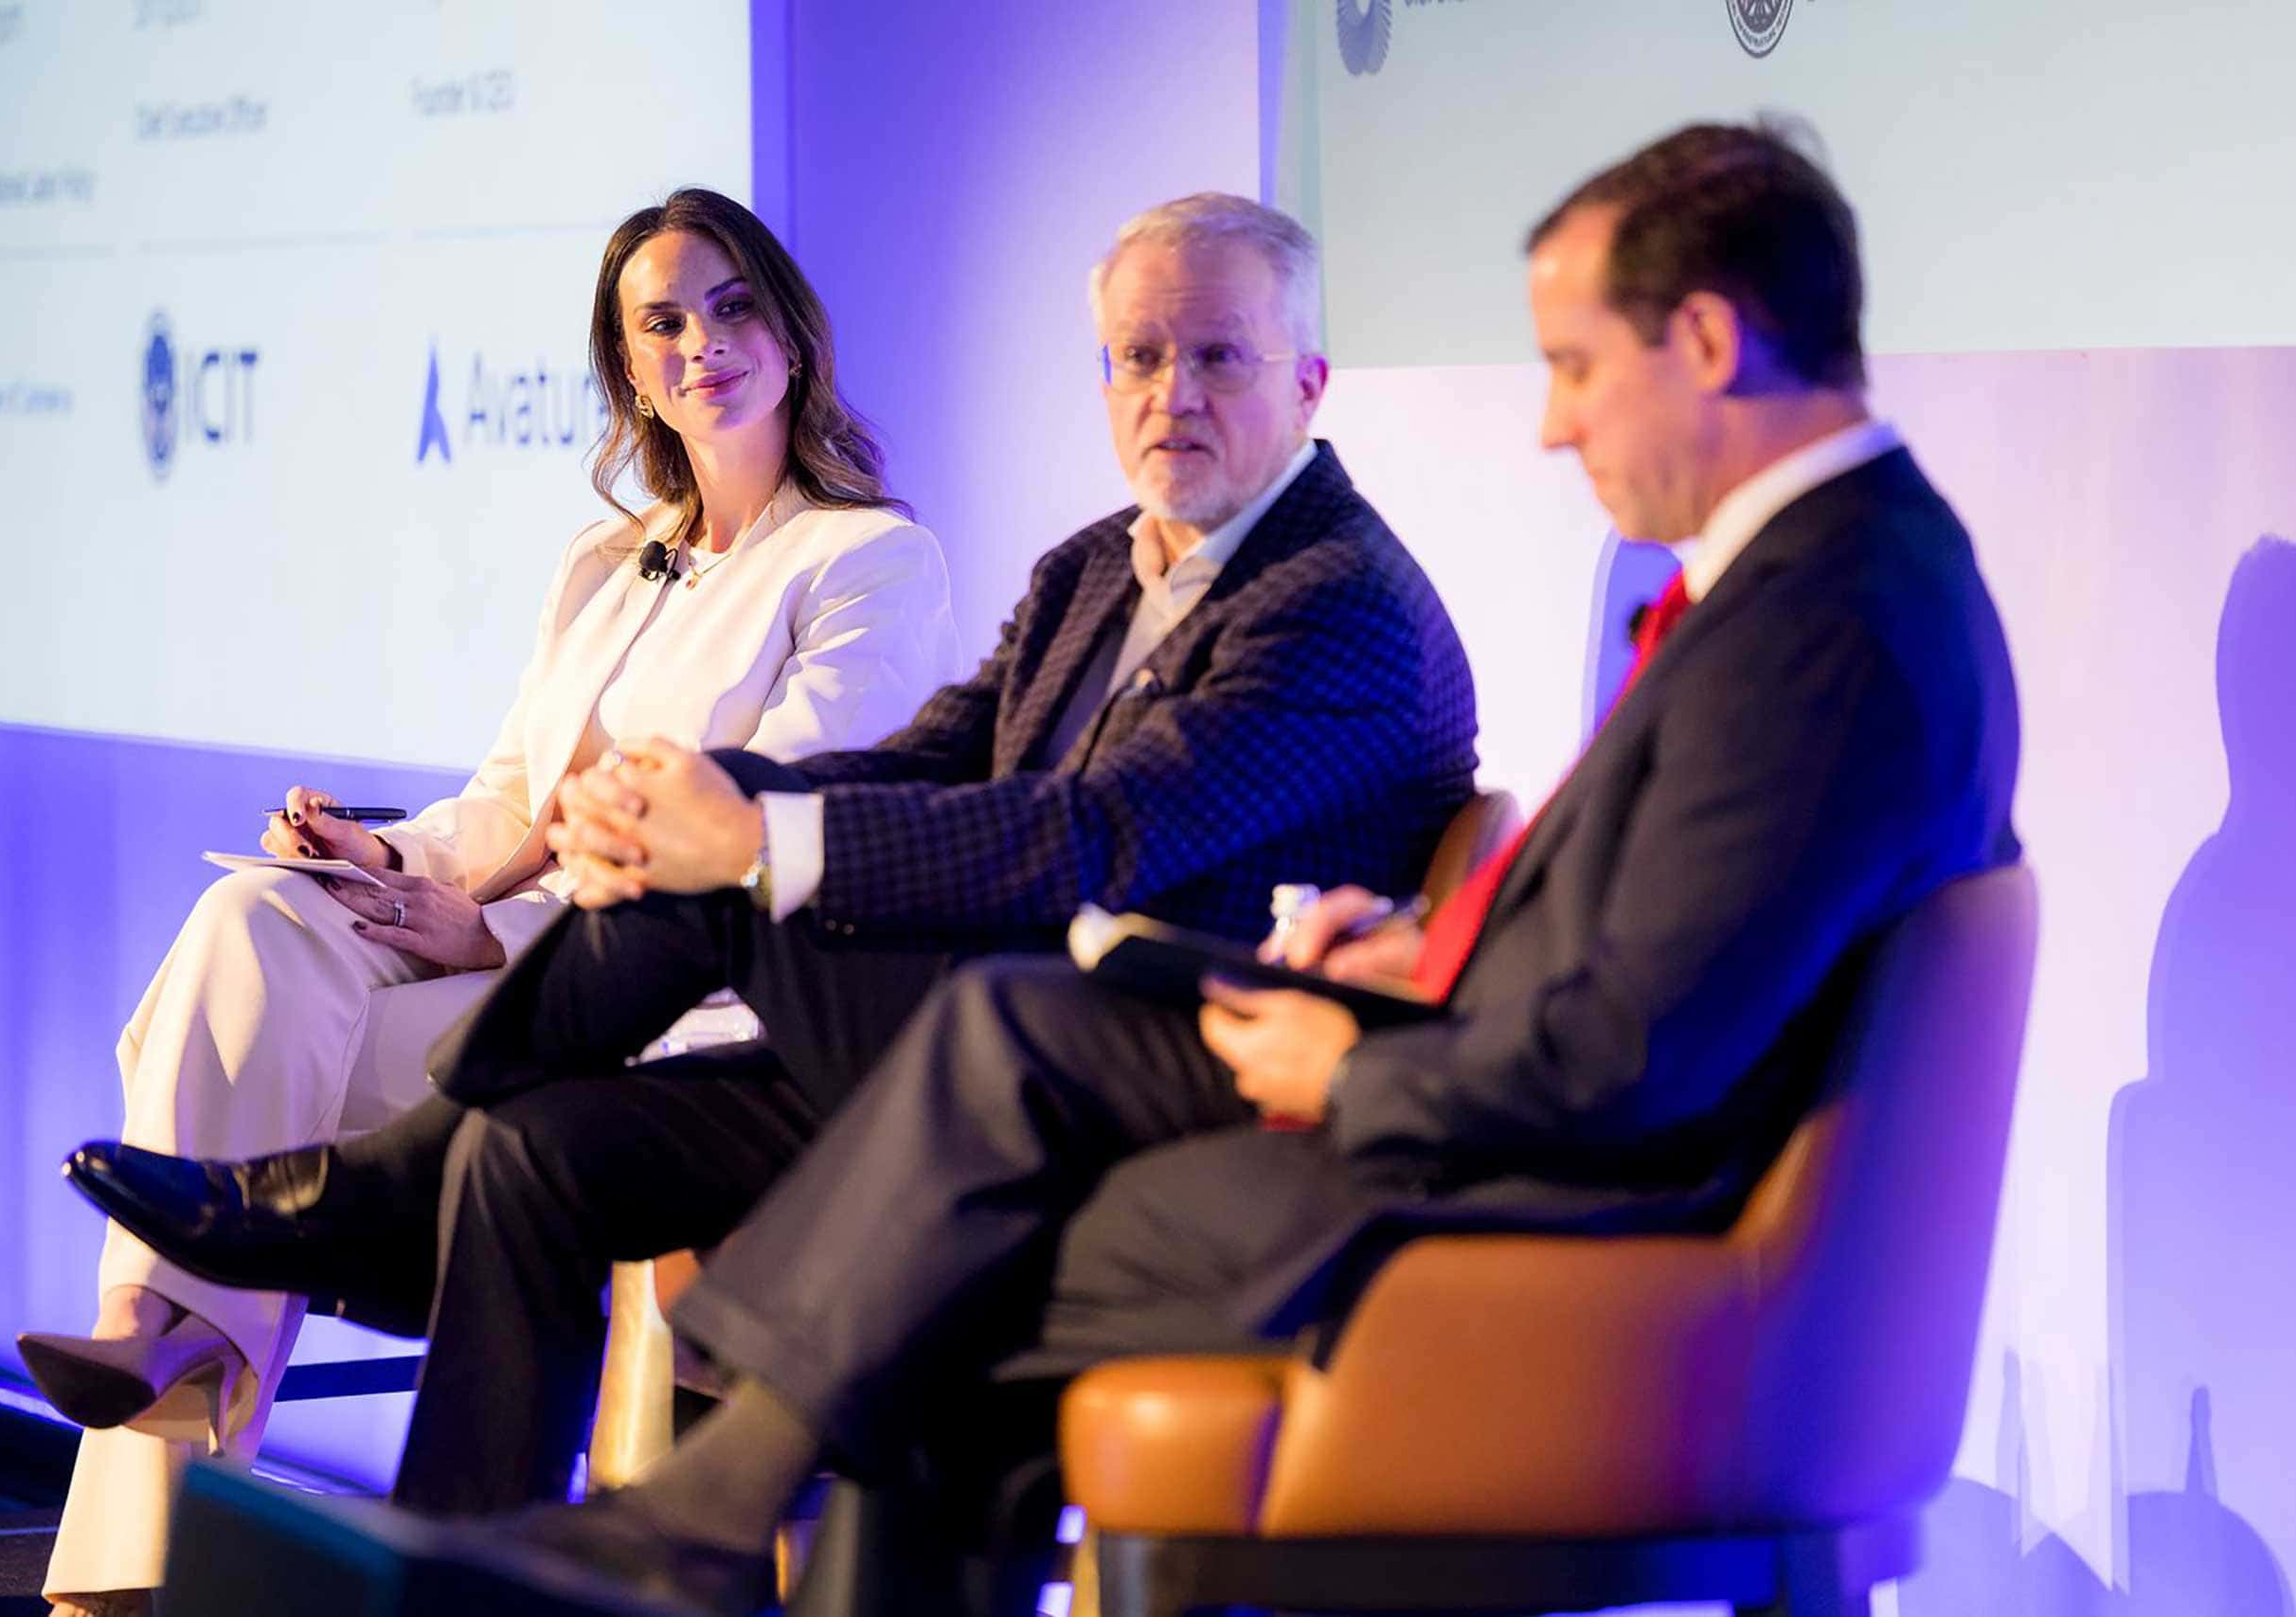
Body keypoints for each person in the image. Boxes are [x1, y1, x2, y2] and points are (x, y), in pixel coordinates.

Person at [424, 118, 2025, 1614]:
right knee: (970, 1139)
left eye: (1575, 368)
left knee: (977, 1151)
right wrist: (1423, 962)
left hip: (1569, 1221)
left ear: (1707, 345)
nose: (1551, 421)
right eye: (1136, 356)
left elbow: (1629, 1059)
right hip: (1514, 1130)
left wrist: (1352, 1067)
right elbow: (1660, 960)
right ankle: (687, 1506)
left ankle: (695, 1514)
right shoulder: (1835, 582)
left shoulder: (1825, 626)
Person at [76, 193, 1480, 1519]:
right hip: (970, 1046)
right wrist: (445, 851)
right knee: (514, 1134)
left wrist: (738, 828)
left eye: (1219, 356)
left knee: (728, 854)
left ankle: (355, 1205)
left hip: (1106, 1085)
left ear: (1309, 383)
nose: (1172, 393)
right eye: (1139, 356)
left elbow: (1089, 837)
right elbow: (932, 756)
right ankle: (452, 1578)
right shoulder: (1098, 565)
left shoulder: (1329, 599)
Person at [18, 187, 961, 1617]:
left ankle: (149, 1465)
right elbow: (514, 797)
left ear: (790, 332)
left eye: (730, 307)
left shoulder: (863, 563)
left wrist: (502, 930)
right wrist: (392, 865)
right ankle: (153, 1330)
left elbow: (750, 835)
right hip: (516, 962)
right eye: (664, 324)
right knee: (256, 920)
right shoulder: (609, 559)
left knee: (244, 1071)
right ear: (631, 369)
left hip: (674, 1012)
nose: (702, 344)